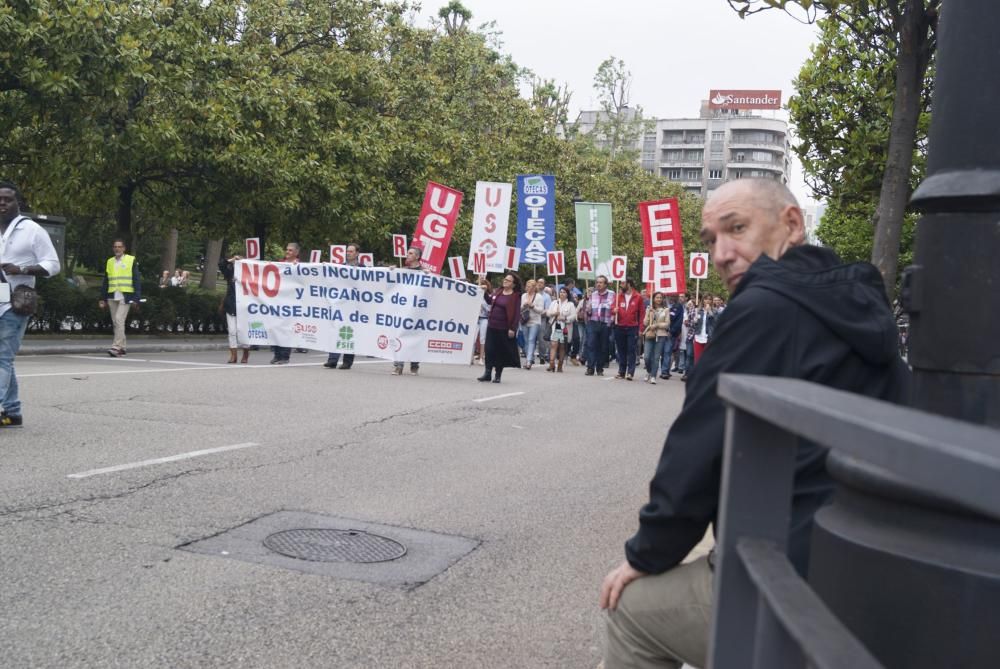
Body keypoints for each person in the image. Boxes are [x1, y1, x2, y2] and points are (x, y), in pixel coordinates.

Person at [599, 178, 910, 669]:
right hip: (865, 563)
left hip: (794, 571)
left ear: (792, 223)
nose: (722, 253)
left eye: (737, 229)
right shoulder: (854, 301)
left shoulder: (767, 307)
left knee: (629, 610)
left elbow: (698, 445)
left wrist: (646, 555)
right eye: (710, 239)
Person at [0, 181, 61, 427]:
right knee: (3, 358)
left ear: (19, 203)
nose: (2, 203)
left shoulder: (32, 230)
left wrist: (21, 268)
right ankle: (13, 412)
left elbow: (53, 265)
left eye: (7, 199)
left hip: (15, 304)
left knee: (2, 356)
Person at [325, 242, 366, 370]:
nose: (348, 253)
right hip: (341, 305)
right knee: (336, 329)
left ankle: (347, 362)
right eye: (347, 251)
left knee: (349, 332)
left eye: (351, 251)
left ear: (357, 253)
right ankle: (332, 360)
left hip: (354, 306)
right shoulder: (340, 267)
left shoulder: (363, 269)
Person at [98, 239, 141, 357]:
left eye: (119, 247)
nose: (117, 249)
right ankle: (123, 347)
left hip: (125, 295)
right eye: (115, 247)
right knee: (116, 322)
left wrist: (136, 298)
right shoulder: (110, 261)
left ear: (124, 248)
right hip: (112, 295)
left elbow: (136, 279)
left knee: (119, 320)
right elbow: (106, 281)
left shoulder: (130, 260)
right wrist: (102, 298)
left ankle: (116, 347)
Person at [478, 272, 522, 383]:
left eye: (508, 280)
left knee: (500, 352)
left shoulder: (515, 296)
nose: (505, 281)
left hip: (504, 328)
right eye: (505, 279)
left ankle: (498, 375)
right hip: (492, 325)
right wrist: (484, 292)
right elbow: (489, 301)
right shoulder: (498, 292)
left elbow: (517, 313)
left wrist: (513, 328)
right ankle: (487, 373)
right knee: (489, 349)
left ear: (513, 284)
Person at [393, 245, 424, 376]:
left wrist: (429, 275)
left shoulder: (424, 272)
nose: (407, 255)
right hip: (402, 310)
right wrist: (391, 272)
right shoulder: (402, 270)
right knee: (399, 336)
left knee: (414, 338)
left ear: (417, 256)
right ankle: (398, 366)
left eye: (410, 253)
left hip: (416, 311)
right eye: (407, 253)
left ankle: (414, 365)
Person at [270, 242, 300, 364]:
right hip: (278, 301)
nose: (287, 252)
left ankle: (285, 356)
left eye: (290, 250)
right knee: (276, 328)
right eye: (287, 249)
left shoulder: (299, 266)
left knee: (286, 329)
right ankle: (277, 354)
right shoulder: (279, 264)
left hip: (290, 302)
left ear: (296, 253)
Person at [219, 249, 250, 364]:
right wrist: (232, 260)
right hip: (231, 304)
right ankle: (233, 355)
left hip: (244, 307)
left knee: (243, 331)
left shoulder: (249, 274)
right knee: (232, 331)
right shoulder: (230, 272)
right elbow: (221, 264)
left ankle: (246, 353)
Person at [612, 278, 645, 381]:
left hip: (632, 327)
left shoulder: (638, 297)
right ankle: (621, 371)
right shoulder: (618, 296)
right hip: (619, 326)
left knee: (631, 350)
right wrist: (614, 310)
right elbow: (612, 308)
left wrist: (640, 329)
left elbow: (642, 314)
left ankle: (630, 372)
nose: (621, 285)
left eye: (623, 283)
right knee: (621, 350)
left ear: (629, 284)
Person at [586, 276, 614, 377]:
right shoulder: (592, 295)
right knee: (591, 345)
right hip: (593, 322)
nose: (598, 284)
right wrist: (587, 307)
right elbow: (588, 310)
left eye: (601, 282)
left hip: (605, 323)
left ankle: (599, 368)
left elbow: (614, 309)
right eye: (597, 282)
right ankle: (590, 367)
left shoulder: (612, 294)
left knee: (603, 347)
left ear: (605, 284)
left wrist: (611, 321)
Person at [545, 287, 577, 372]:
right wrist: (554, 313)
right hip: (555, 327)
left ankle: (560, 364)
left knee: (562, 347)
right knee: (553, 345)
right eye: (561, 292)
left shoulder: (570, 304)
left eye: (564, 292)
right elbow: (548, 313)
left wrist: (564, 318)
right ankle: (551, 363)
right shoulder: (554, 303)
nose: (562, 294)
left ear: (567, 294)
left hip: (564, 328)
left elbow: (573, 316)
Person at [641, 292, 670, 384]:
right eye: (657, 297)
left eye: (660, 297)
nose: (659, 299)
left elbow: (667, 324)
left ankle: (653, 376)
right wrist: (649, 314)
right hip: (650, 334)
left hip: (661, 335)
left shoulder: (666, 310)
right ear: (653, 299)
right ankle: (649, 371)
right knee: (646, 357)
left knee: (656, 357)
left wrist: (657, 325)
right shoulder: (649, 308)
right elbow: (645, 323)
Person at [519, 279, 545, 370]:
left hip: (535, 321)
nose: (528, 288)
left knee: (531, 339)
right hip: (525, 320)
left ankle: (529, 361)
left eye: (530, 286)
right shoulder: (523, 296)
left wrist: (532, 306)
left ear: (534, 288)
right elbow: (520, 308)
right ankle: (529, 358)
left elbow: (541, 310)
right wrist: (524, 305)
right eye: (527, 286)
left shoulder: (539, 297)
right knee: (526, 340)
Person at [474, 277, 492, 364]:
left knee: (482, 339)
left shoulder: (489, 296)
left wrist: (482, 305)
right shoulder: (475, 294)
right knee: (473, 338)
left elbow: (489, 309)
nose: (480, 287)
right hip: (475, 319)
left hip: (484, 319)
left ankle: (481, 358)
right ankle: (470, 358)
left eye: (482, 285)